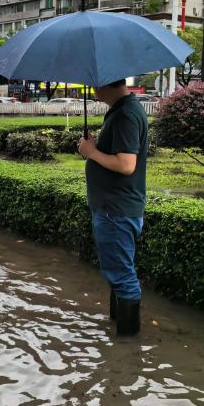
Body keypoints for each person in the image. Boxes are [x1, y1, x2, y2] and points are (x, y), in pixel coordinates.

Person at [78, 79, 148, 336]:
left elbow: (126, 165)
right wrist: (95, 147)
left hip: (115, 210)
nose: (93, 90)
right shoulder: (123, 110)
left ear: (103, 84)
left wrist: (92, 153)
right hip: (114, 207)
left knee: (121, 275)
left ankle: (127, 349)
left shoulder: (126, 114)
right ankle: (118, 330)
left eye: (94, 84)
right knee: (118, 272)